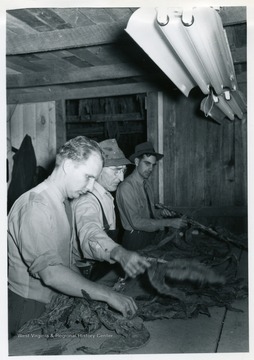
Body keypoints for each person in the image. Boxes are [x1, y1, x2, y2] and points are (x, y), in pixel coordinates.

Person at [8, 136, 140, 338]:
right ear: (68, 166)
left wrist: (92, 295)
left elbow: (65, 263)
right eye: (88, 177)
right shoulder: (35, 205)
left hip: (51, 304)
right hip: (28, 309)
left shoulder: (62, 203)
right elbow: (51, 273)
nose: (90, 187)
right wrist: (107, 295)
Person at [72, 138, 151, 280]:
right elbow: (90, 231)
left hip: (102, 266)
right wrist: (118, 253)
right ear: (96, 170)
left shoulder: (106, 195)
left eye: (123, 171)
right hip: (83, 273)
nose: (121, 178)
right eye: (116, 170)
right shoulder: (86, 200)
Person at [116, 141, 187, 250]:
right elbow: (136, 222)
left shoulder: (147, 184)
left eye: (153, 165)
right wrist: (170, 222)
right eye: (147, 163)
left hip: (150, 236)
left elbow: (148, 213)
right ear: (136, 161)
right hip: (135, 239)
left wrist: (160, 212)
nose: (150, 169)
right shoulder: (126, 188)